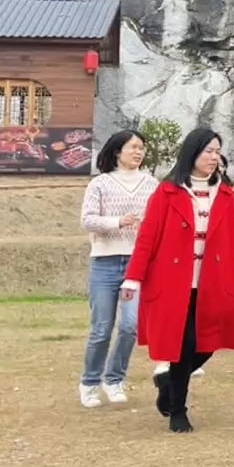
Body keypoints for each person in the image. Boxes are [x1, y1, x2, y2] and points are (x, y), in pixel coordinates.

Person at [120, 127, 234, 432]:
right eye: (208, 150)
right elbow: (148, 238)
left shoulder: (225, 194)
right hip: (174, 282)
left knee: (213, 339)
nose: (213, 156)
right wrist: (133, 279)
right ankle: (178, 408)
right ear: (192, 153)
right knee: (185, 344)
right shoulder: (167, 192)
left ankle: (168, 382)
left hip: (214, 281)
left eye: (217, 151)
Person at [78, 130, 157, 407]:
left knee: (130, 325)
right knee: (101, 328)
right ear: (117, 151)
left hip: (138, 263)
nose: (138, 152)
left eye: (142, 148)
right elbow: (87, 220)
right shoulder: (100, 183)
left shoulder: (151, 183)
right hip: (105, 262)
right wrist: (117, 222)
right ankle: (89, 382)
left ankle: (114, 379)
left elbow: (159, 221)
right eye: (133, 147)